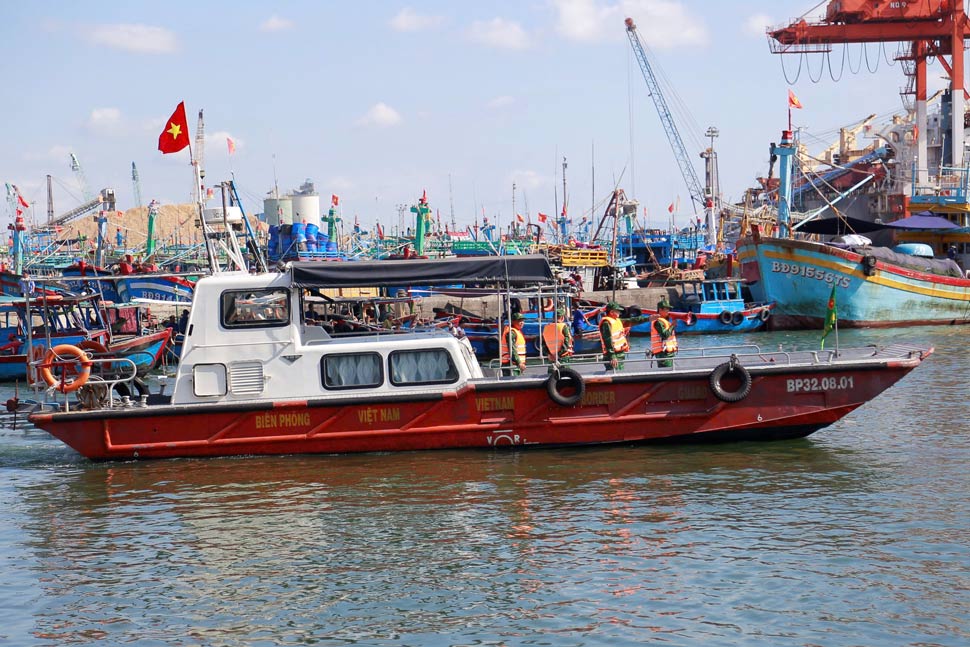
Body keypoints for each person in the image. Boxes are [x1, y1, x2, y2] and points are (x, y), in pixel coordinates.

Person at [599, 301, 630, 371]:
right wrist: (612, 356)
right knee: (614, 372)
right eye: (617, 311)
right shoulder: (606, 323)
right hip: (613, 356)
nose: (619, 313)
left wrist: (647, 319)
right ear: (612, 312)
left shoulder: (617, 320)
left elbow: (631, 321)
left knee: (620, 372)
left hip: (619, 354)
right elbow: (608, 340)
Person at [650, 298, 679, 368]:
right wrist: (672, 326)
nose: (668, 311)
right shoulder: (658, 322)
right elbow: (664, 335)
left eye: (668, 309)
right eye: (666, 309)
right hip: (663, 353)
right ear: (660, 310)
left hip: (668, 352)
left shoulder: (664, 321)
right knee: (667, 372)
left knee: (671, 372)